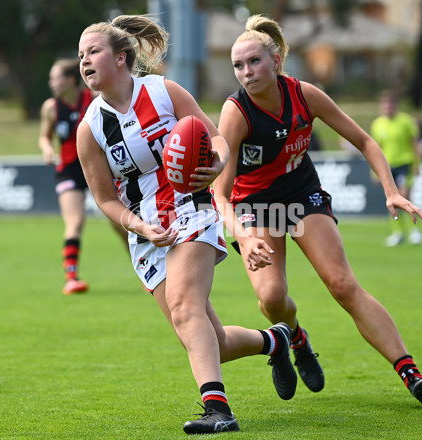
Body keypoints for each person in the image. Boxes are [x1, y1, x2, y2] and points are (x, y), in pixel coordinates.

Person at [75, 15, 299, 435]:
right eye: (80, 55)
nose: (84, 61)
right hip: (147, 233)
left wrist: (215, 162)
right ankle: (276, 340)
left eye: (93, 51)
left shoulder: (163, 91)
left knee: (184, 307)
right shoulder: (90, 129)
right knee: (207, 337)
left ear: (121, 58)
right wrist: (138, 227)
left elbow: (214, 138)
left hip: (191, 209)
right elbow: (104, 198)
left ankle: (218, 410)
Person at [213, 14, 422, 408]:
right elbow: (220, 194)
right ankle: (295, 338)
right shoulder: (236, 112)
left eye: (254, 62)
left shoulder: (306, 95)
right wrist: (244, 235)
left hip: (302, 196)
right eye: (238, 65)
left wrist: (391, 191)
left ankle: (412, 374)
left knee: (342, 284)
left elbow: (365, 141)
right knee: (271, 299)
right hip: (256, 206)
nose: (246, 72)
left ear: (277, 61)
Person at [39, 58, 129, 295]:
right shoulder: (50, 107)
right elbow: (45, 136)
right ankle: (72, 278)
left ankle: (145, 269)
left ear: (70, 80)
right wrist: (47, 149)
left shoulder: (93, 99)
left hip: (99, 165)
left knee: (120, 224)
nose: (51, 83)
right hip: (69, 169)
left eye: (55, 77)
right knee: (75, 222)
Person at [370, 90, 422, 246]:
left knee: (405, 196)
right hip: (387, 165)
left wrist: (417, 164)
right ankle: (398, 233)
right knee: (391, 201)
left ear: (395, 105)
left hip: (405, 163)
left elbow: (414, 144)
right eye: (385, 104)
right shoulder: (377, 124)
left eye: (390, 104)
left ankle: (415, 231)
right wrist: (374, 170)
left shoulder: (406, 121)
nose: (388, 107)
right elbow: (375, 148)